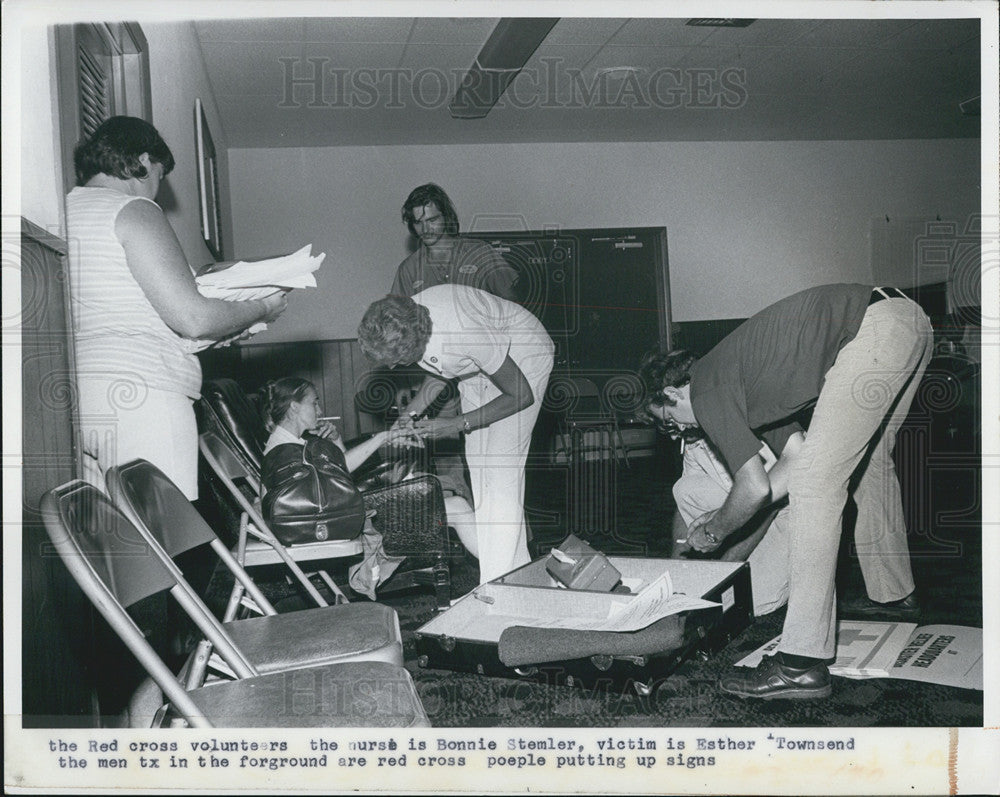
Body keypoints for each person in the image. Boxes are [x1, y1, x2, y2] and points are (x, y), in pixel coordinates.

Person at [645, 284, 932, 700]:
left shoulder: (706, 387)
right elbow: (792, 461)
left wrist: (715, 530)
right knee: (868, 465)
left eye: (671, 422)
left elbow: (755, 485)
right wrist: (731, 515)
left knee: (819, 484)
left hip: (873, 328)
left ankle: (801, 664)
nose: (681, 433)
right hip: (908, 321)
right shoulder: (743, 382)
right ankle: (895, 596)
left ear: (673, 394)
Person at [67, 116, 287, 499]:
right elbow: (193, 319)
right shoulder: (133, 209)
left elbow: (127, 312)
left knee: (111, 546)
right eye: (159, 175)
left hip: (76, 397)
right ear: (142, 160)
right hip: (142, 396)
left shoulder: (64, 208)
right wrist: (262, 307)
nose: (156, 190)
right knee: (166, 540)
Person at [357, 286, 554, 583]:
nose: (394, 367)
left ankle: (498, 588)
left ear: (416, 342)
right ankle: (517, 575)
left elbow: (520, 394)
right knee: (479, 469)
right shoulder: (410, 319)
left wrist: (455, 424)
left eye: (396, 361)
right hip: (481, 366)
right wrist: (408, 415)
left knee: (500, 474)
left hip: (524, 356)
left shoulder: (463, 332)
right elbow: (441, 368)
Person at [390, 184, 520, 501]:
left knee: (496, 462)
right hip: (439, 374)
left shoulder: (481, 254)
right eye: (418, 222)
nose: (426, 228)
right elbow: (402, 325)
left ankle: (510, 535)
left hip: (491, 370)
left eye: (432, 219)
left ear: (446, 217)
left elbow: (514, 311)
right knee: (448, 460)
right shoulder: (409, 270)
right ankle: (463, 528)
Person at [261, 377, 477, 554]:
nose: (319, 410)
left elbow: (335, 476)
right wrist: (382, 437)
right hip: (342, 524)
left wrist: (335, 438)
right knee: (457, 506)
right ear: (294, 407)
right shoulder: (283, 450)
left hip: (339, 517)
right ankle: (495, 573)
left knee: (445, 497)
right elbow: (338, 471)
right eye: (314, 403)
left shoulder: (288, 443)